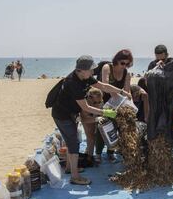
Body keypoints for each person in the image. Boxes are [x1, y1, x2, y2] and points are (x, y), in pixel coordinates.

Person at [51, 55, 131, 185]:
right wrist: (105, 112)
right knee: (73, 144)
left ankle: (70, 168)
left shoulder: (85, 77)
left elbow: (103, 86)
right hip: (62, 115)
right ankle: (75, 177)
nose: (93, 71)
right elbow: (85, 107)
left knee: (71, 141)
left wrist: (122, 92)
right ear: (81, 70)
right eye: (91, 69)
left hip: (71, 114)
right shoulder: (73, 83)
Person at [95, 49, 133, 163]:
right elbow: (106, 86)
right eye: (122, 63)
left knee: (115, 128)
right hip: (104, 102)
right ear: (116, 60)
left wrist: (128, 102)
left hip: (118, 104)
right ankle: (98, 153)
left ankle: (110, 152)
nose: (124, 66)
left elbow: (127, 90)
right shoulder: (107, 67)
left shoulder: (127, 74)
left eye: (127, 64)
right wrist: (118, 97)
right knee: (102, 127)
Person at [80, 88, 104, 167]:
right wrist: (96, 119)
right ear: (89, 98)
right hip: (85, 116)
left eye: (99, 102)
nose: (97, 104)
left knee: (96, 134)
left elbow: (101, 110)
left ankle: (89, 150)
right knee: (90, 136)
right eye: (95, 102)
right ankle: (89, 157)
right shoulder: (84, 103)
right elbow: (84, 120)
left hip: (95, 115)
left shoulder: (100, 100)